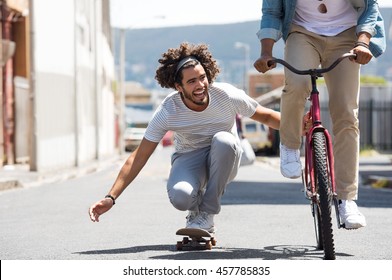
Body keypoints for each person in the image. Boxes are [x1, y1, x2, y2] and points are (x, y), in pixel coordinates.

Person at [89, 42, 281, 233]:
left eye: (202, 77)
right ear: (178, 87)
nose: (200, 86)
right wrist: (111, 197)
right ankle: (194, 211)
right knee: (181, 197)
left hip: (225, 157)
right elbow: (139, 157)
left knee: (225, 140)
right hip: (189, 157)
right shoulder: (168, 110)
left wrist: (300, 127)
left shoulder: (226, 95)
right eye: (191, 82)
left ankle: (207, 214)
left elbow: (266, 116)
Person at [254, 0, 386, 229]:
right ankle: (290, 145)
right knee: (296, 83)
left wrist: (363, 43)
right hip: (303, 32)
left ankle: (347, 200)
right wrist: (266, 52)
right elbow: (272, 11)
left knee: (347, 114)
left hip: (347, 34)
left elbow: (369, 6)